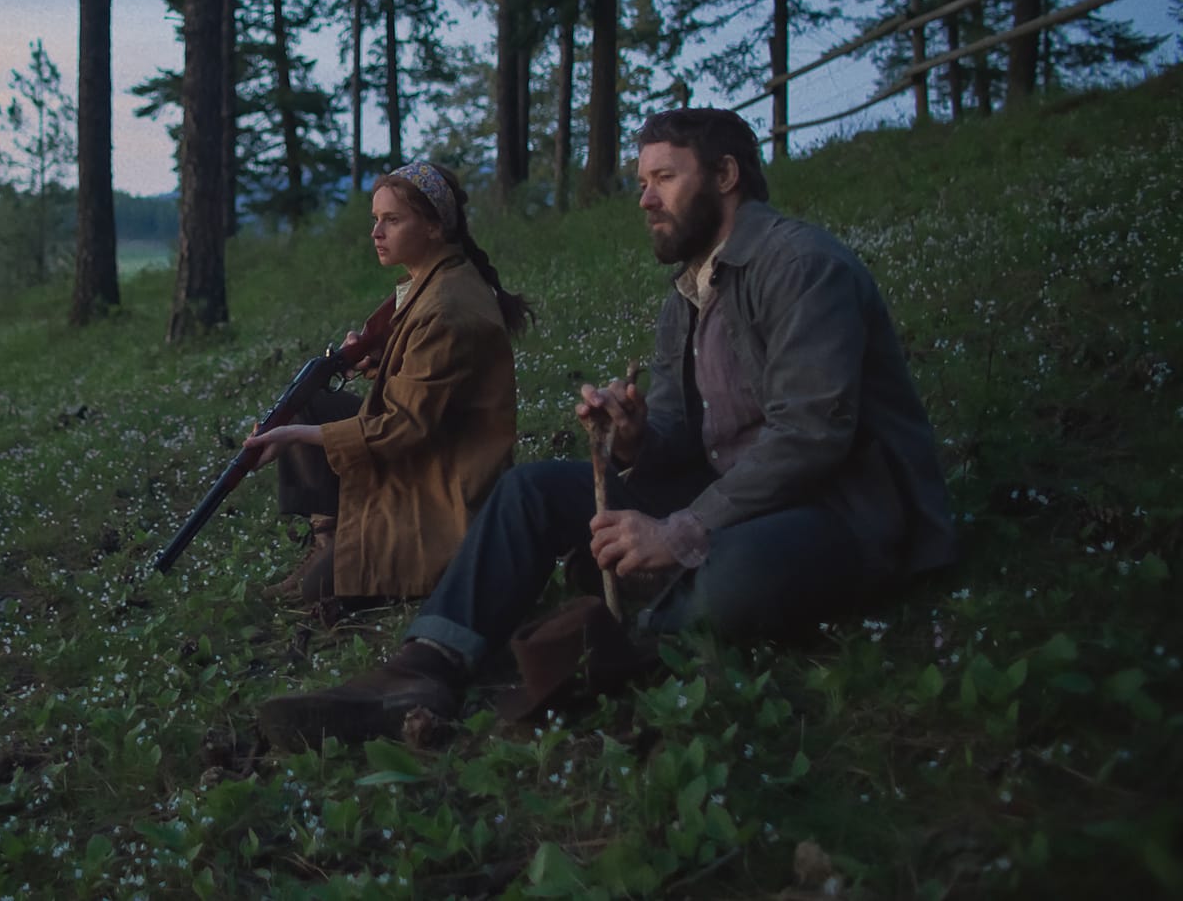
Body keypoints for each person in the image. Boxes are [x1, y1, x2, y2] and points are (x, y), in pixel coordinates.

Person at [257, 109, 957, 746]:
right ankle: (425, 663)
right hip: (727, 496)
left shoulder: (802, 267)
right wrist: (630, 437)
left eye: (663, 178)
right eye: (641, 181)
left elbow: (813, 437)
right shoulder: (687, 293)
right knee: (532, 490)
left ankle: (553, 666)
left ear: (724, 176)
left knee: (729, 579)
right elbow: (682, 442)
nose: (645, 198)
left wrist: (681, 529)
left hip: (834, 510)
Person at [240, 161, 532, 608]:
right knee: (309, 401)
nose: (377, 232)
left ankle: (346, 556)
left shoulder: (448, 306)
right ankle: (330, 542)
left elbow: (402, 428)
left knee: (318, 590)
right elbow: (430, 376)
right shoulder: (435, 280)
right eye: (376, 220)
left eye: (392, 220)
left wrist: (296, 437)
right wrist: (375, 359)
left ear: (434, 226)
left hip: (444, 491)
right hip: (428, 458)